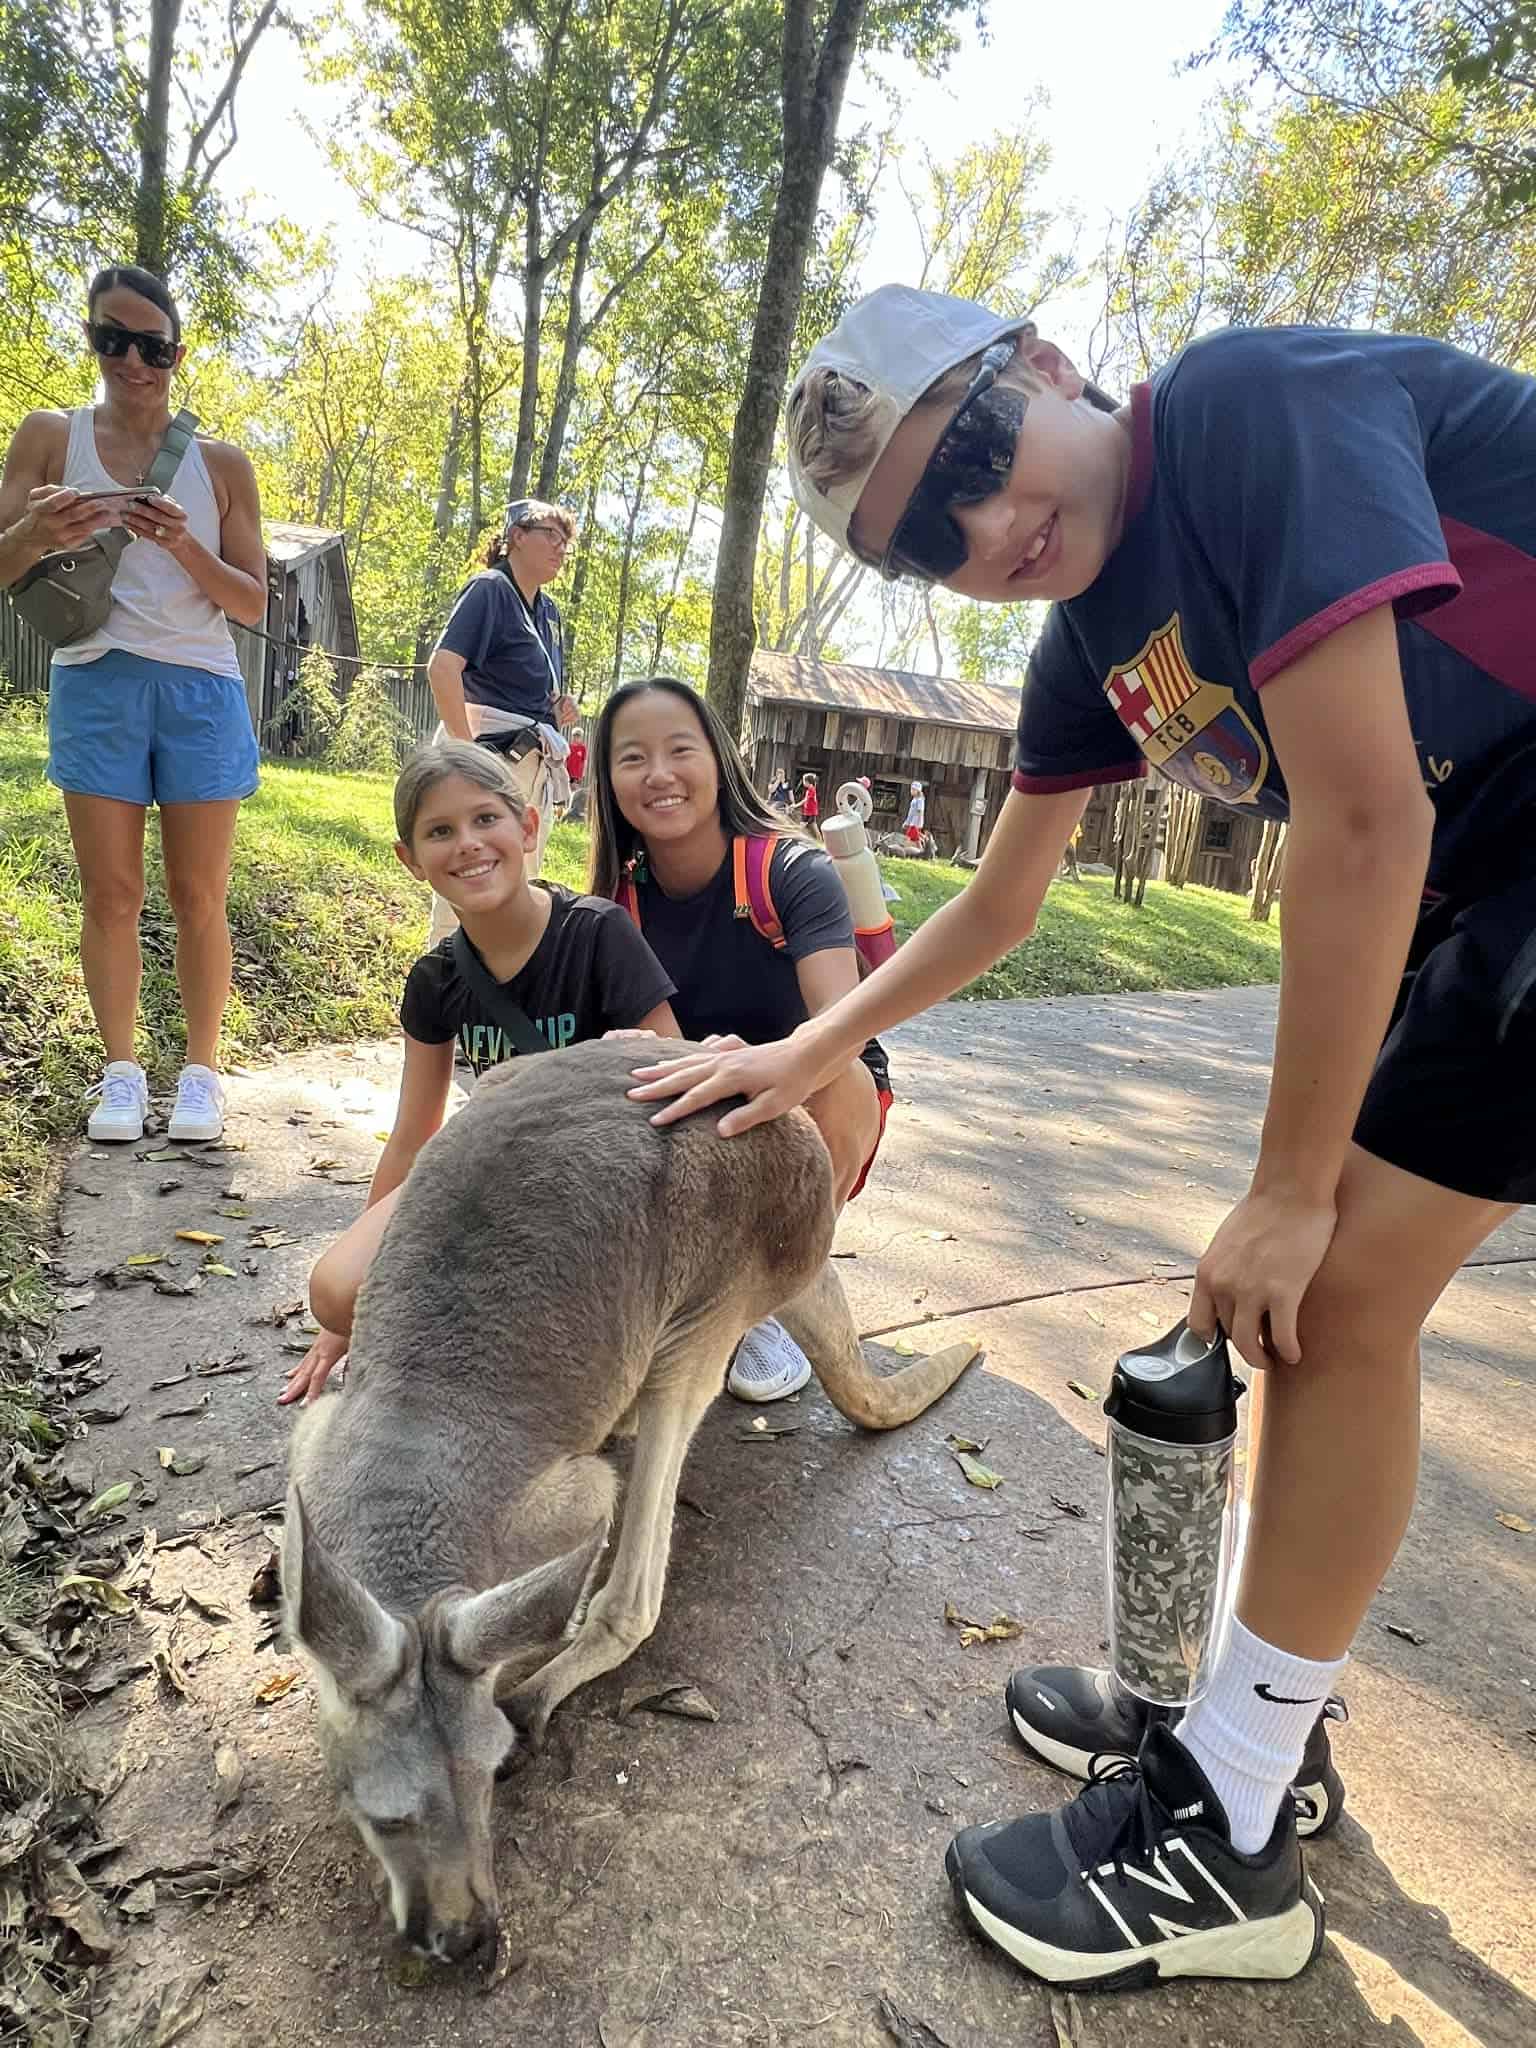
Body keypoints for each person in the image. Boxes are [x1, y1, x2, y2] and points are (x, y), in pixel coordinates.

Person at [627, 285, 1536, 1990]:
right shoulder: (1088, 647)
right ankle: (1259, 1728)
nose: (984, 526)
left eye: (973, 454)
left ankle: (1232, 1819)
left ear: (1042, 362)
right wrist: (799, 1052)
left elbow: (1360, 811)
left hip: (1489, 839)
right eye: (924, 541)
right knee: (1319, 1298)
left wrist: (1284, 1188)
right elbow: (997, 901)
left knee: (1325, 1288)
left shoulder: (1247, 411)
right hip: (1487, 866)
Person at [278, 739, 678, 1405]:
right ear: (411, 860)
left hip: (602, 1188)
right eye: (441, 830)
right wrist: (352, 1322)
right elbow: (413, 1137)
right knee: (335, 1290)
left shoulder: (599, 934)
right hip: (493, 1172)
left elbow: (675, 1074)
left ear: (527, 828)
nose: (468, 843)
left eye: (486, 819)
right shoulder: (435, 981)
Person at [0, 265, 267, 1145]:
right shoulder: (48, 436)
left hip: (201, 686)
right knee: (110, 894)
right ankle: (120, 1072)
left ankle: (200, 1074)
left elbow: (252, 602)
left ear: (177, 354)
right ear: (92, 340)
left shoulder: (222, 464)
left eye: (151, 346)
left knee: (200, 893)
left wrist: (183, 544)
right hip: (96, 678)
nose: (132, 361)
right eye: (111, 339)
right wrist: (37, 532)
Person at [589, 676, 891, 1403]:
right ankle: (692, 1286)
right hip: (697, 1100)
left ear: (719, 761)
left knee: (837, 1074)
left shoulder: (791, 872)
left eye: (679, 750)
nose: (658, 775)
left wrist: (753, 1062)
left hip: (815, 1091)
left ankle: (780, 1285)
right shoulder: (611, 906)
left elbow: (838, 1026)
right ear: (607, 781)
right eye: (632, 758)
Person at [424, 497, 579, 943]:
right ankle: (448, 993)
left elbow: (531, 689)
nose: (560, 547)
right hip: (488, 752)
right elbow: (443, 669)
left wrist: (559, 706)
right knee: (469, 879)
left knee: (518, 885)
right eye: (550, 535)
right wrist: (466, 757)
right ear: (516, 537)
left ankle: (500, 994)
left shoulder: (547, 614)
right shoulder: (489, 589)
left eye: (565, 540)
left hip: (532, 760)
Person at [794, 770, 821, 837]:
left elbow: (805, 800)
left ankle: (820, 840)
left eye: (803, 781)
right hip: (808, 811)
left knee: (810, 826)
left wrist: (796, 805)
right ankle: (798, 836)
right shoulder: (809, 790)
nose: (803, 782)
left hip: (811, 812)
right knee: (808, 825)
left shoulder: (811, 790)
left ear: (807, 782)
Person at [902, 780, 926, 844]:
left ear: (917, 790)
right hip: (912, 822)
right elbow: (910, 813)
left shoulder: (920, 800)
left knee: (908, 838)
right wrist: (907, 822)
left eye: (913, 789)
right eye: (911, 789)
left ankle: (927, 843)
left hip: (915, 823)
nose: (911, 791)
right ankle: (925, 847)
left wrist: (920, 823)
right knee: (916, 840)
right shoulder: (914, 799)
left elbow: (920, 811)